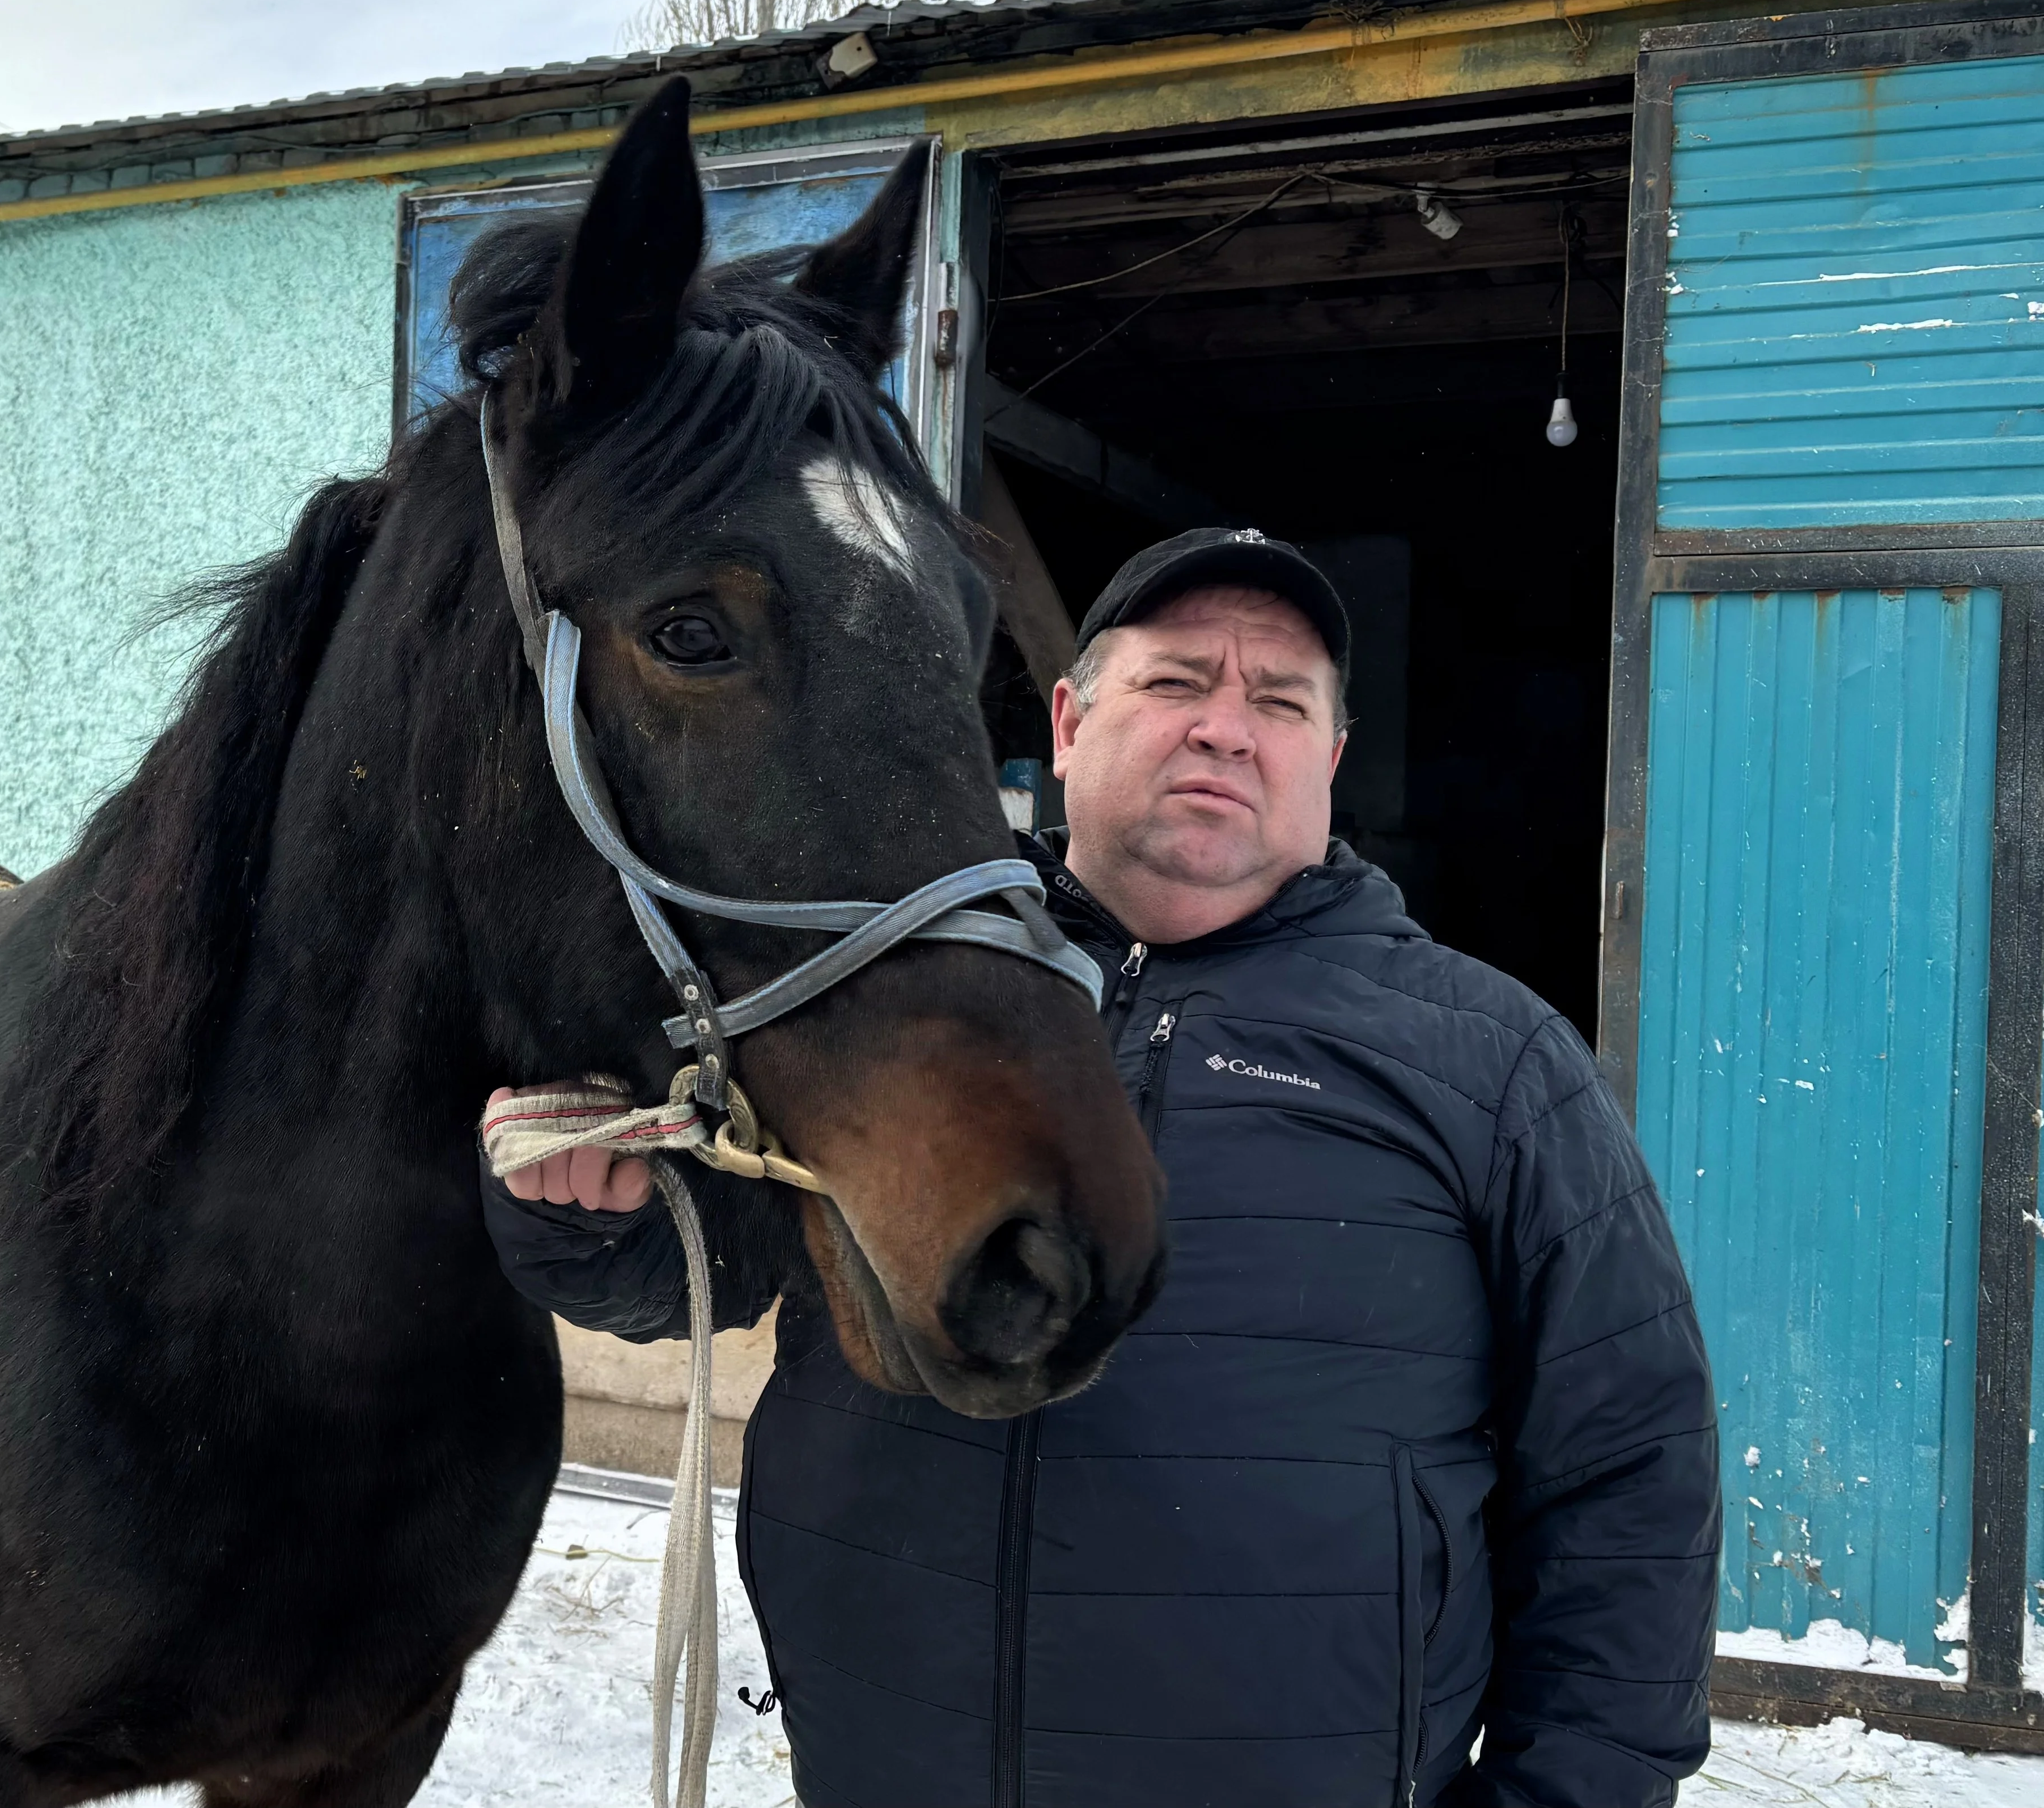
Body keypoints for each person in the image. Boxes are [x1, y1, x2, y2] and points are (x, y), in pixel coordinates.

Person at [483, 527, 1719, 1808]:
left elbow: (1628, 1476)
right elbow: (706, 1272)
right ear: (1069, 722)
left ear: (1332, 761)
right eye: (1177, 682)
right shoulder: (887, 1000)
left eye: (1280, 701)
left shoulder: (1496, 1065)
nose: (1226, 730)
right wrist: (589, 1218)